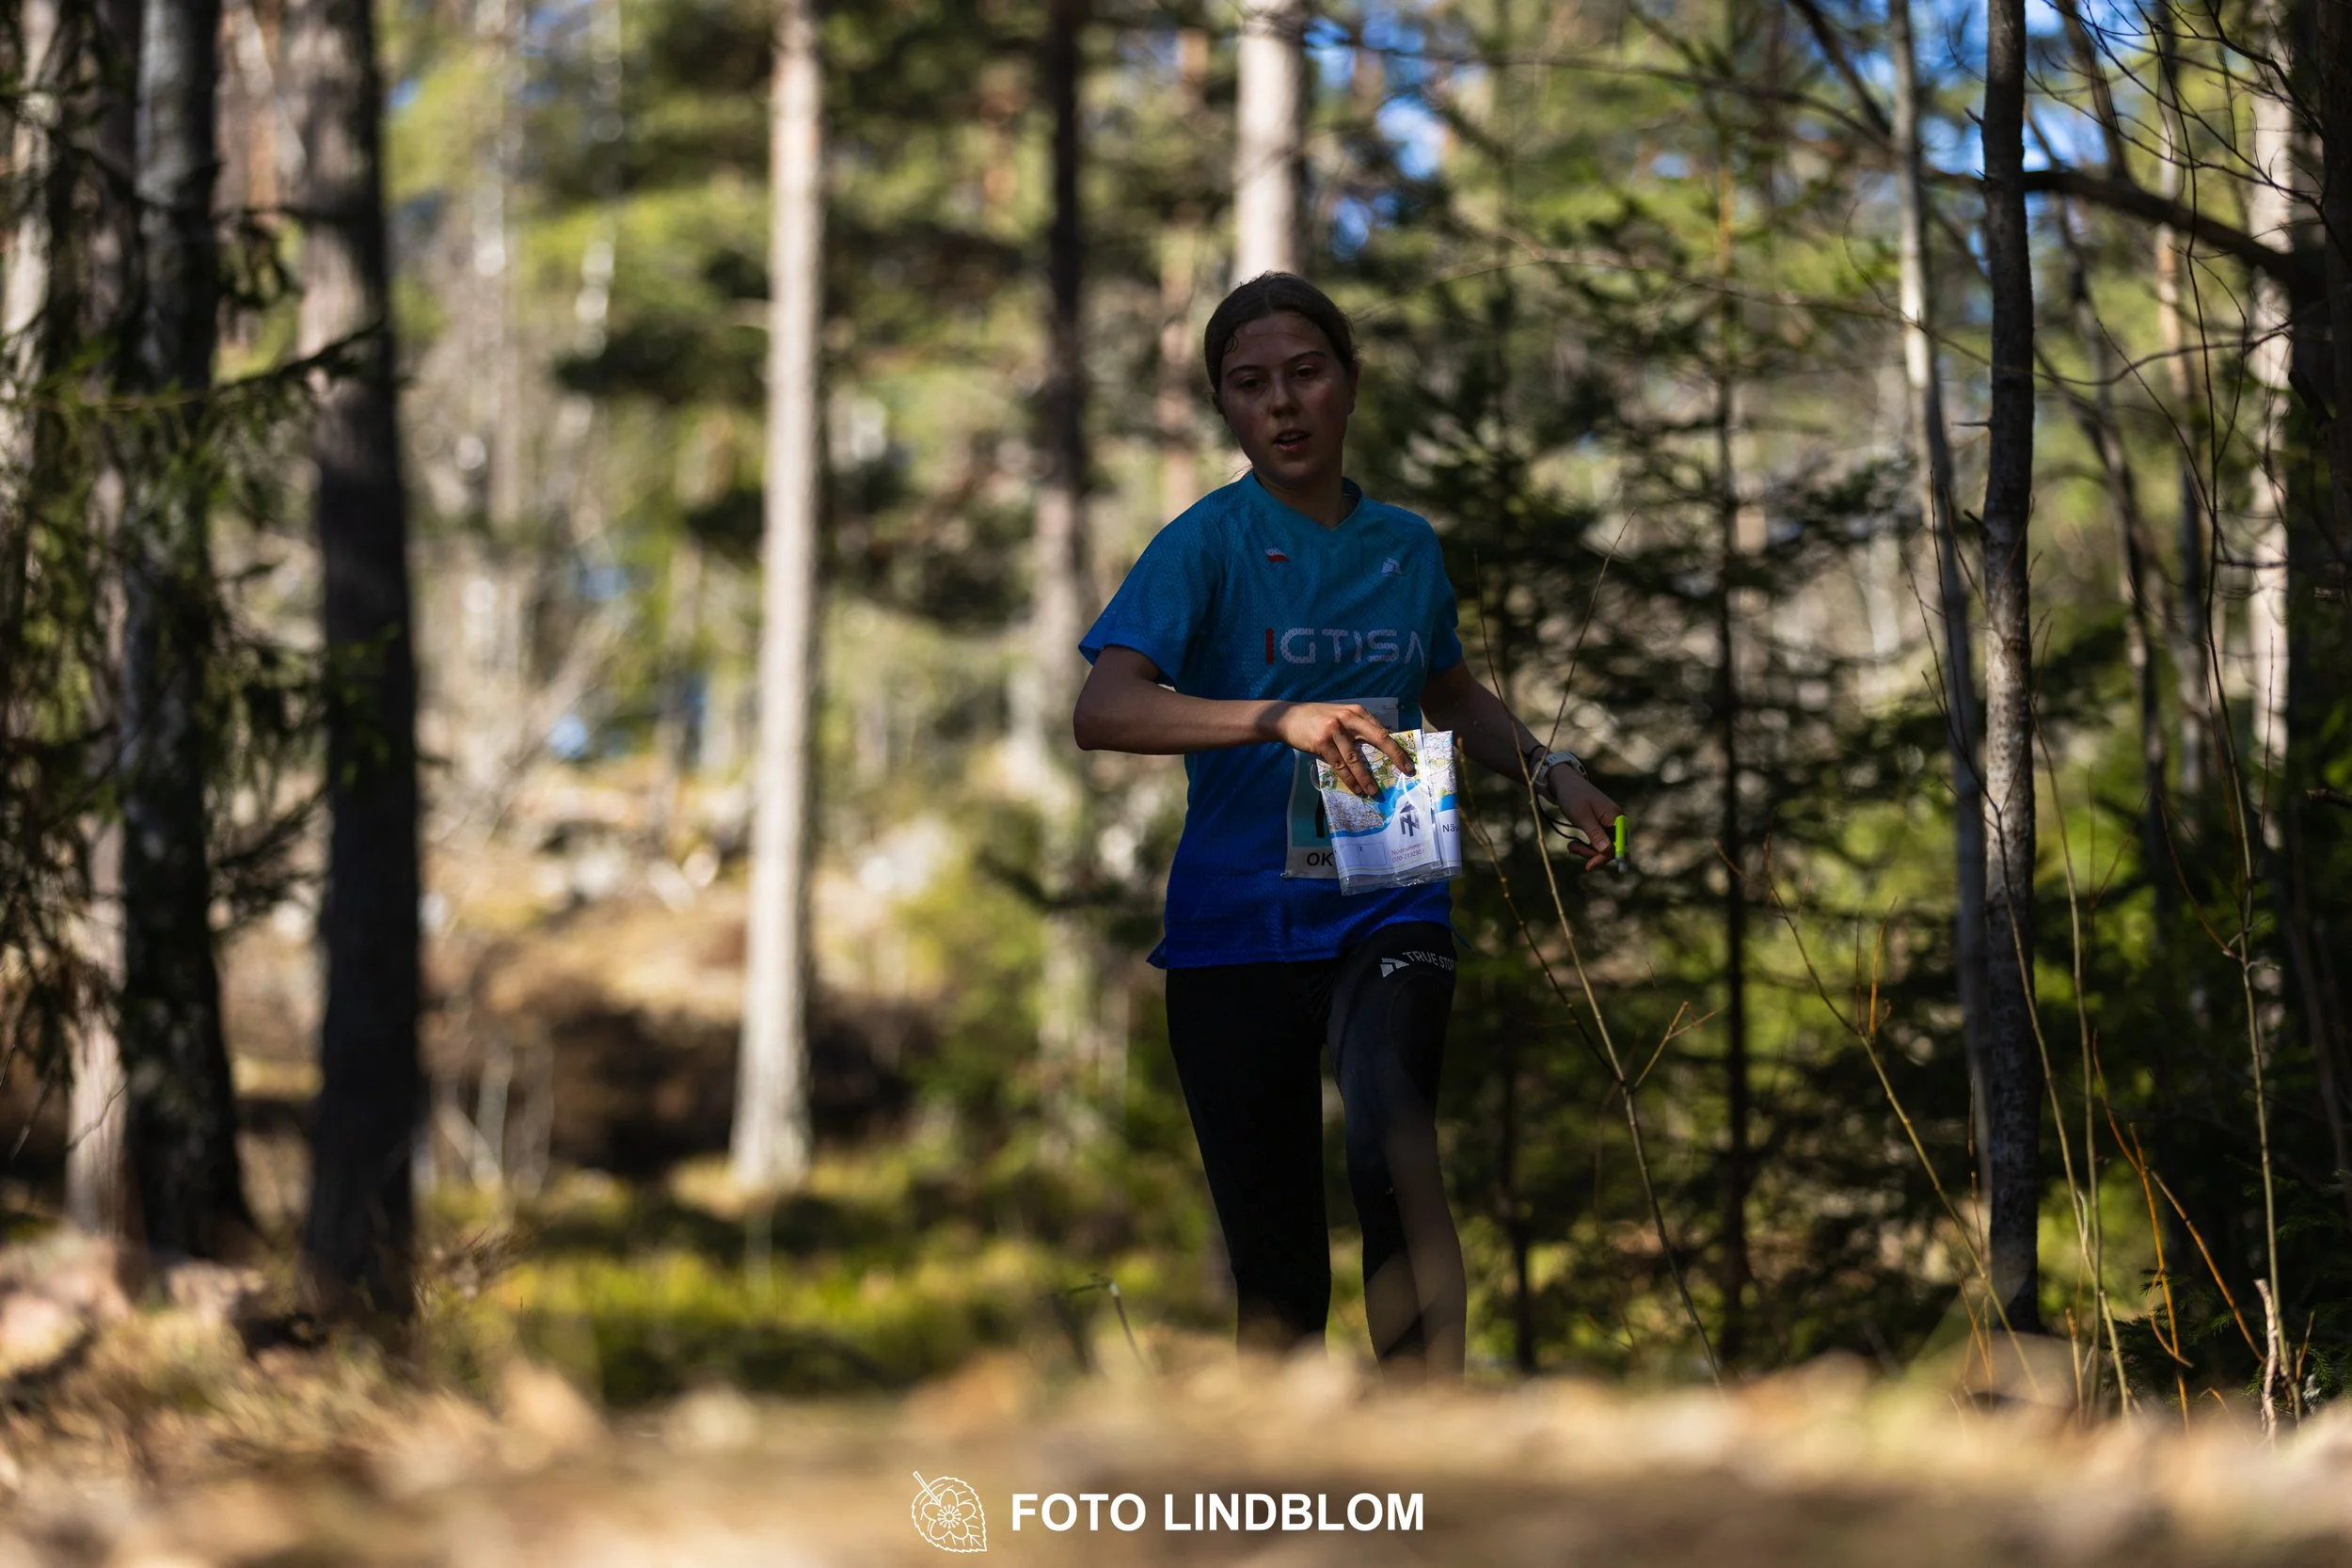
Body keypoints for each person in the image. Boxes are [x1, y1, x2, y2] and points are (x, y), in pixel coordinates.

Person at [1072, 273, 1621, 1377]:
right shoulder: (1205, 543)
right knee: (1274, 1256)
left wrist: (1551, 766)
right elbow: (1105, 709)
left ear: (1349, 385)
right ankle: (1297, 1503)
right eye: (1249, 384)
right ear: (1225, 407)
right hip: (1234, 929)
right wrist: (1277, 718)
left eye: (1305, 373)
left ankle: (1429, 1455)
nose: (1281, 403)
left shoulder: (1405, 547)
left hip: (1388, 895)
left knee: (1393, 1152)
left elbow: (1450, 692)